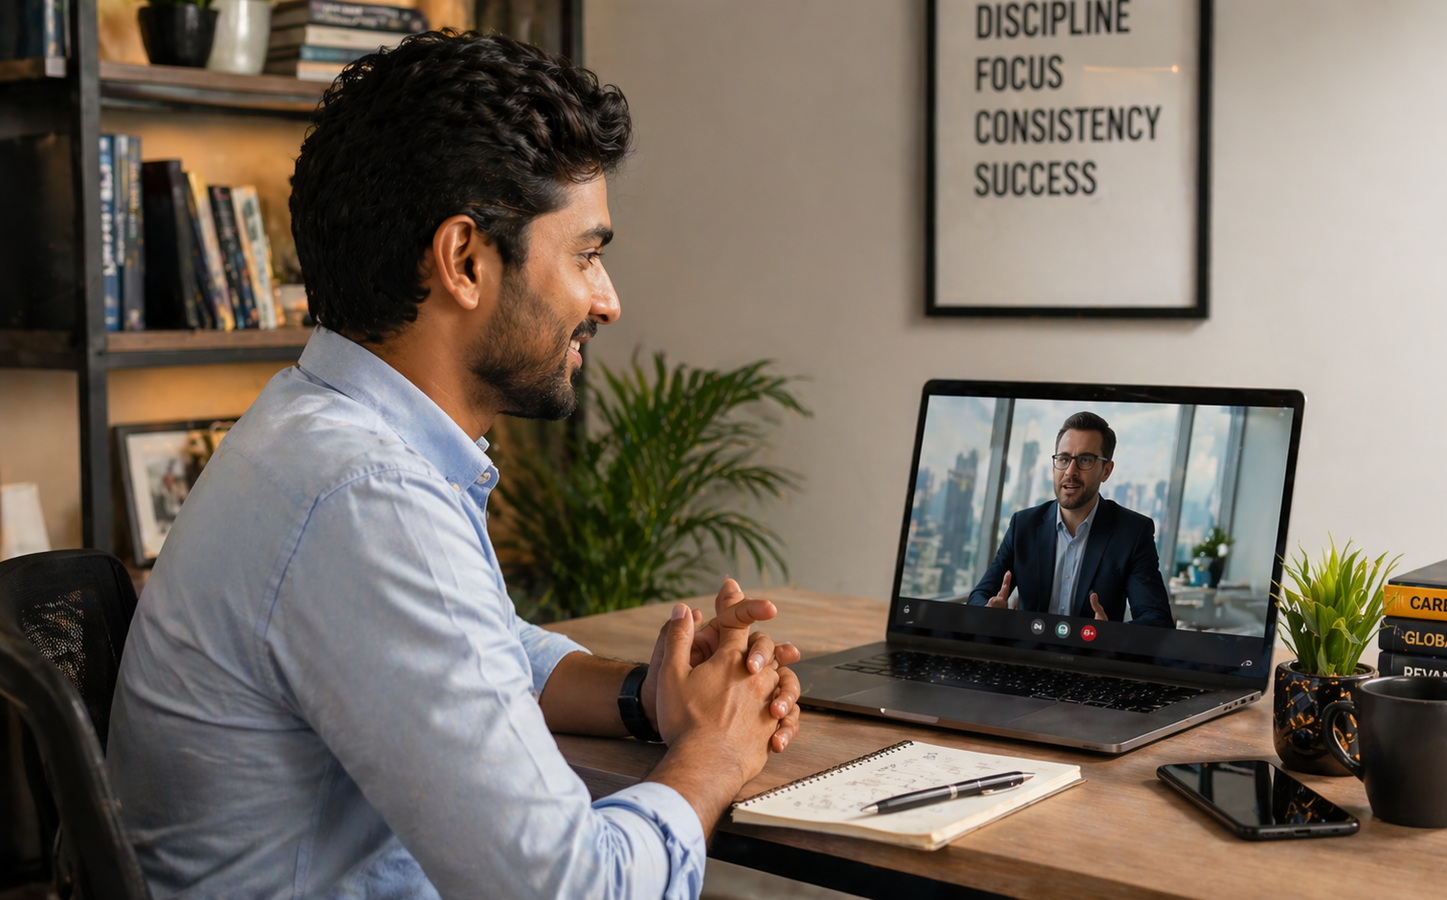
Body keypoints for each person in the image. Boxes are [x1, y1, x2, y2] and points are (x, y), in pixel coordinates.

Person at [105, 33, 801, 900]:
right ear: (465, 260)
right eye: (585, 255)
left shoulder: (315, 434)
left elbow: (478, 652)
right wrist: (714, 750)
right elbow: (576, 892)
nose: (608, 299)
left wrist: (645, 695)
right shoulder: (366, 496)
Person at [966, 412, 1175, 627]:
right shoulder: (1024, 525)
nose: (1070, 471)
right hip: (1027, 656)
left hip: (1092, 658)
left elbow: (1157, 620)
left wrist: (1112, 636)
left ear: (1106, 471)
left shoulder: (1132, 533)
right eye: (1064, 459)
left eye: (1085, 460)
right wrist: (989, 612)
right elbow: (978, 597)